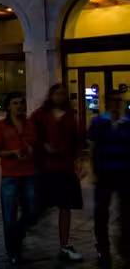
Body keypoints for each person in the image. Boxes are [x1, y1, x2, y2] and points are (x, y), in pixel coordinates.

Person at [29, 83, 84, 261]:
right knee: (40, 207)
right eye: (57, 93)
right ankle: (23, 230)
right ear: (51, 95)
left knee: (65, 207)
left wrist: (79, 161)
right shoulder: (40, 114)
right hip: (46, 168)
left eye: (63, 94)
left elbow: (77, 140)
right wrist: (43, 146)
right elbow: (30, 135)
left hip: (65, 168)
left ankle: (64, 245)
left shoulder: (70, 116)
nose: (60, 96)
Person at [0, 92, 37, 268]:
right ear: (8, 106)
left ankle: (17, 234)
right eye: (15, 103)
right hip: (10, 175)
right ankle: (13, 251)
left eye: (22, 103)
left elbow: (36, 144)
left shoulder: (30, 124)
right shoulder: (1, 126)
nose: (19, 106)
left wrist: (33, 149)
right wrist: (12, 153)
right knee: (9, 215)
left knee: (32, 211)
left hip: (29, 173)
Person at [88, 92, 130, 267]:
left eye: (119, 101)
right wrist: (92, 171)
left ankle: (125, 247)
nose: (116, 105)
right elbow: (92, 147)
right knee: (101, 213)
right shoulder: (98, 123)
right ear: (106, 103)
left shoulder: (127, 123)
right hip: (104, 173)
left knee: (126, 212)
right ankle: (103, 250)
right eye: (113, 101)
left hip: (125, 173)